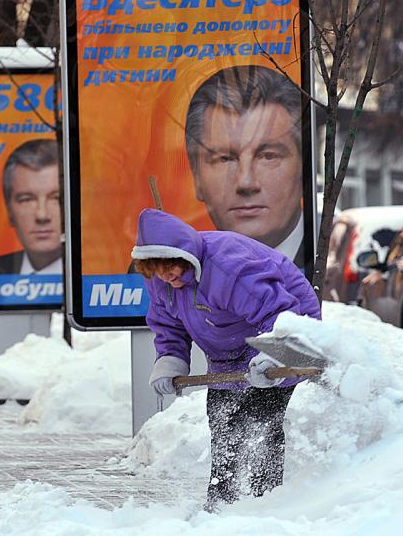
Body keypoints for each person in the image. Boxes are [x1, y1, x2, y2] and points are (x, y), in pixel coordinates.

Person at [131, 208, 320, 512]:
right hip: (226, 346)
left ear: (185, 254)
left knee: (260, 420)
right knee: (223, 420)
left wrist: (273, 357)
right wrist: (169, 360)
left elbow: (280, 312)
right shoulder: (161, 281)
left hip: (286, 327)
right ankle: (222, 502)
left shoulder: (227, 268)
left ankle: (265, 501)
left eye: (171, 267)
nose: (167, 276)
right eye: (157, 271)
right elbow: (169, 326)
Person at [185, 64, 306, 266]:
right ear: (197, 177)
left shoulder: (335, 259)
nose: (246, 182)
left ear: (303, 169)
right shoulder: (169, 274)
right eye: (225, 158)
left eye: (268, 156)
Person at [0, 139, 62, 275]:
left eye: (56, 198)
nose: (42, 215)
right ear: (9, 211)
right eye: (26, 200)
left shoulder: (94, 274)